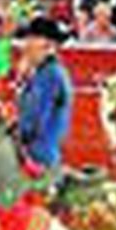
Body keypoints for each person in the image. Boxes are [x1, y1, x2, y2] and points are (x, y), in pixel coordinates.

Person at [11, 16, 74, 201]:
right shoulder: (46, 73)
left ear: (48, 45)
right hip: (42, 156)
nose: (26, 45)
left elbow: (31, 122)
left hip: (37, 161)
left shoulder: (49, 76)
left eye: (32, 39)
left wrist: (10, 133)